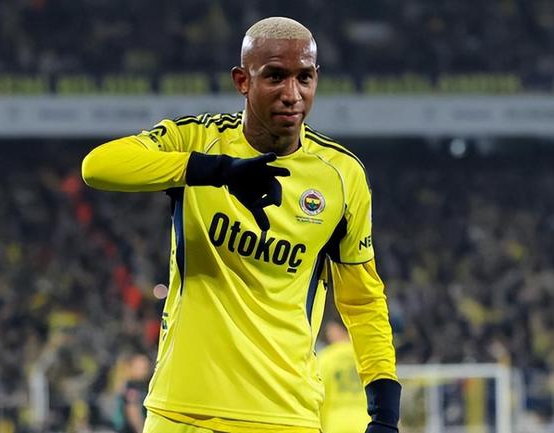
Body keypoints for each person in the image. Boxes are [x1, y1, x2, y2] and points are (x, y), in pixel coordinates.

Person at [82, 16, 401, 433]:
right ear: (242, 81)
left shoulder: (342, 176)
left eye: (304, 77)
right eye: (275, 76)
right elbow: (98, 166)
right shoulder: (198, 139)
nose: (292, 94)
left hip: (284, 415)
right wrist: (216, 171)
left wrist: (385, 413)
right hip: (181, 409)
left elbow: (362, 301)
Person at [319, 319, 371, 433]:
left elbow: (320, 395)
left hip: (335, 424)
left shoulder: (325, 358)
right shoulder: (366, 356)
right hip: (365, 423)